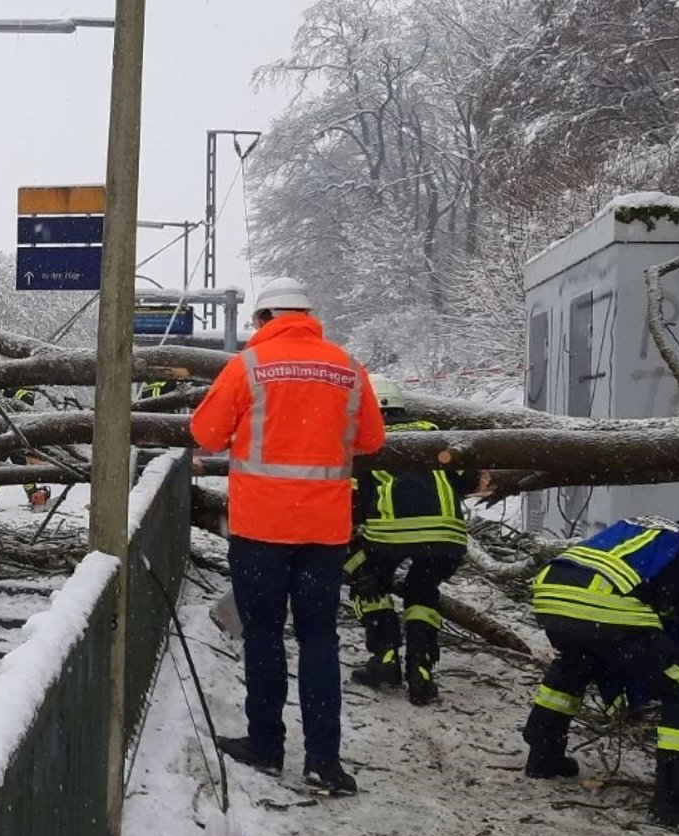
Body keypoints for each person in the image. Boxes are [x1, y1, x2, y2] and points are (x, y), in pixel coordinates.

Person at [190, 277, 385, 796]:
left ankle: (267, 745)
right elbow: (371, 439)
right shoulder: (346, 367)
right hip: (324, 531)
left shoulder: (247, 367)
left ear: (262, 320)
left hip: (261, 530)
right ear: (307, 315)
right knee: (320, 638)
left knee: (264, 635)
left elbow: (206, 435)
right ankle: (324, 760)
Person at [518, 516, 679, 831]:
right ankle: (678, 800)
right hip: (606, 602)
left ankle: (544, 756)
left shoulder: (643, 536)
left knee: (573, 668)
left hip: (552, 592)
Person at [346, 375, 478, 705]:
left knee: (367, 578)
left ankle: (385, 658)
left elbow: (351, 498)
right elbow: (468, 479)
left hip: (390, 532)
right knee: (423, 591)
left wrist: (355, 546)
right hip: (447, 534)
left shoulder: (364, 438)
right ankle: (421, 672)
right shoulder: (435, 433)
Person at [0, 384, 49, 509]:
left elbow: (25, 404)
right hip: (4, 434)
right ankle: (33, 496)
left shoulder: (25, 389)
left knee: (0, 467)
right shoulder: (7, 389)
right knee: (13, 467)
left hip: (12, 434)